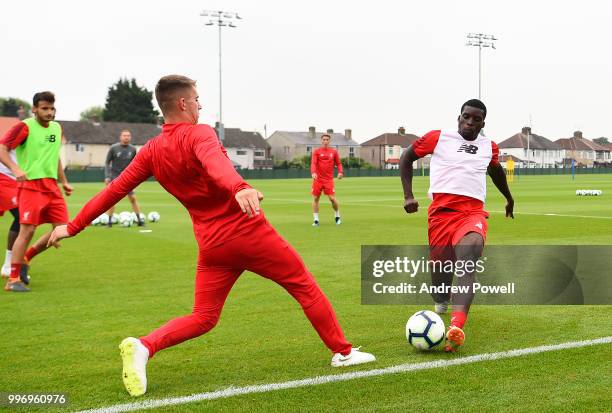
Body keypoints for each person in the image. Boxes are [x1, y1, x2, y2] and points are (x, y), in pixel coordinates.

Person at [48, 75, 375, 397]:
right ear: (182, 103)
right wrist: (240, 186)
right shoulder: (198, 134)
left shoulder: (150, 150)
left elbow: (115, 189)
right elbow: (215, 161)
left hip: (212, 246)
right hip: (247, 232)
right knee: (304, 286)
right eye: (197, 99)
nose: (200, 105)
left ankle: (145, 346)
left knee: (203, 317)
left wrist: (73, 226)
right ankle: (343, 353)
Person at [399, 99, 514, 353]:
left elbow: (496, 172)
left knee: (469, 255)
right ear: (458, 117)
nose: (470, 123)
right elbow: (406, 157)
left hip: (471, 213)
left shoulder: (489, 146)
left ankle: (456, 327)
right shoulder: (438, 138)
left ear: (483, 123)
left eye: (476, 119)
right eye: (466, 117)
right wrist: (408, 195)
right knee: (440, 275)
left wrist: (508, 198)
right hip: (441, 214)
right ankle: (441, 300)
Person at [0, 91, 73, 292]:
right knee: (28, 230)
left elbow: (55, 156)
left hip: (52, 186)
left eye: (52, 108)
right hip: (30, 185)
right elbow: (2, 148)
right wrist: (15, 169)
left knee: (62, 230)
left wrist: (64, 181)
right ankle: (13, 279)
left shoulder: (57, 128)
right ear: (34, 109)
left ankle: (26, 257)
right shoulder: (24, 127)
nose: (49, 112)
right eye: (44, 108)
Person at [104, 129, 144, 227]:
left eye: (128, 135)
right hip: (114, 177)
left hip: (128, 178)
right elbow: (107, 162)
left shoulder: (133, 149)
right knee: (112, 200)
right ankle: (109, 221)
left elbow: (136, 163)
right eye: (124, 135)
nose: (126, 137)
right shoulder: (113, 148)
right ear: (120, 137)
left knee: (133, 199)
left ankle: (139, 220)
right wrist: (107, 176)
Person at [310, 134, 343, 226]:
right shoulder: (316, 151)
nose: (325, 141)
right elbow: (313, 163)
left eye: (327, 139)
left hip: (328, 180)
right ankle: (316, 220)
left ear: (329, 141)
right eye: (324, 139)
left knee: (332, 198)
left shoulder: (334, 152)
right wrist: (313, 172)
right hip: (318, 179)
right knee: (316, 198)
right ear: (321, 141)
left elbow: (339, 163)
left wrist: (340, 172)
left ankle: (337, 216)